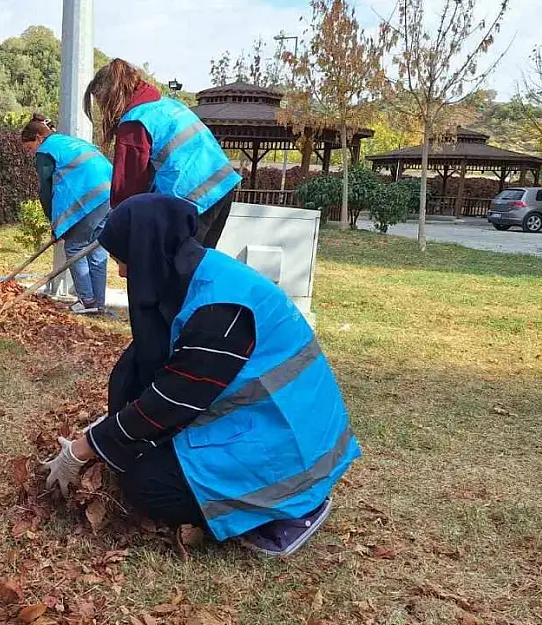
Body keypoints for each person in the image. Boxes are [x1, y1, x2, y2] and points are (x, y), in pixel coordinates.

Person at [43, 194, 360, 557]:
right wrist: (114, 431)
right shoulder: (199, 272)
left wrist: (87, 446)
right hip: (261, 420)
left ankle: (294, 507)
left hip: (291, 446)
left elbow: (170, 402)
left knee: (147, 485)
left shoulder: (220, 310)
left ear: (146, 250)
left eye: (123, 260)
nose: (122, 273)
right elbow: (165, 374)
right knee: (134, 436)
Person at [83, 59, 241, 248]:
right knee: (198, 266)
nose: (102, 110)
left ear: (111, 96)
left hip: (193, 198)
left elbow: (128, 190)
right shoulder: (168, 105)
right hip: (222, 186)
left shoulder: (134, 121)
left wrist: (120, 230)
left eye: (101, 102)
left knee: (171, 270)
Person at [22, 114, 111, 314]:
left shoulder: (46, 150)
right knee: (95, 250)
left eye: (29, 148)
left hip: (90, 196)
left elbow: (45, 190)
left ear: (38, 138)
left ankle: (87, 302)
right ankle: (98, 304)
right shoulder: (68, 141)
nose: (31, 153)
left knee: (74, 247)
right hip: (109, 194)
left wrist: (54, 223)